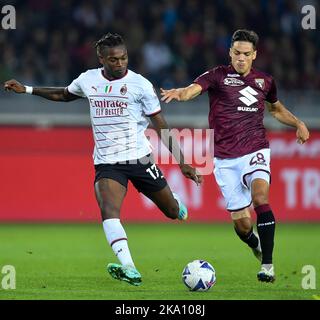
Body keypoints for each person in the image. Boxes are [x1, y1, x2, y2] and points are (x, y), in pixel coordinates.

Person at [4, 32, 202, 286]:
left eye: (124, 58)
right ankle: (129, 267)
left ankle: (174, 201)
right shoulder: (88, 80)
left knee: (173, 212)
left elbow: (161, 125)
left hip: (140, 160)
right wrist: (28, 89)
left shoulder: (140, 85)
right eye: (114, 59)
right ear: (101, 58)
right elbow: (65, 94)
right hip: (107, 163)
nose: (120, 63)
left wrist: (182, 161)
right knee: (109, 210)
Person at [160, 29, 310, 283]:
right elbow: (193, 89)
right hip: (225, 160)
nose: (241, 58)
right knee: (242, 227)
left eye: (246, 54)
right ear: (230, 52)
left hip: (255, 149)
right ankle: (254, 244)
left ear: (254, 55)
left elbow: (276, 109)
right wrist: (181, 93)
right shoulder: (217, 76)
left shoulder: (265, 81)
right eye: (237, 53)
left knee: (260, 196)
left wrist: (298, 123)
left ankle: (268, 265)